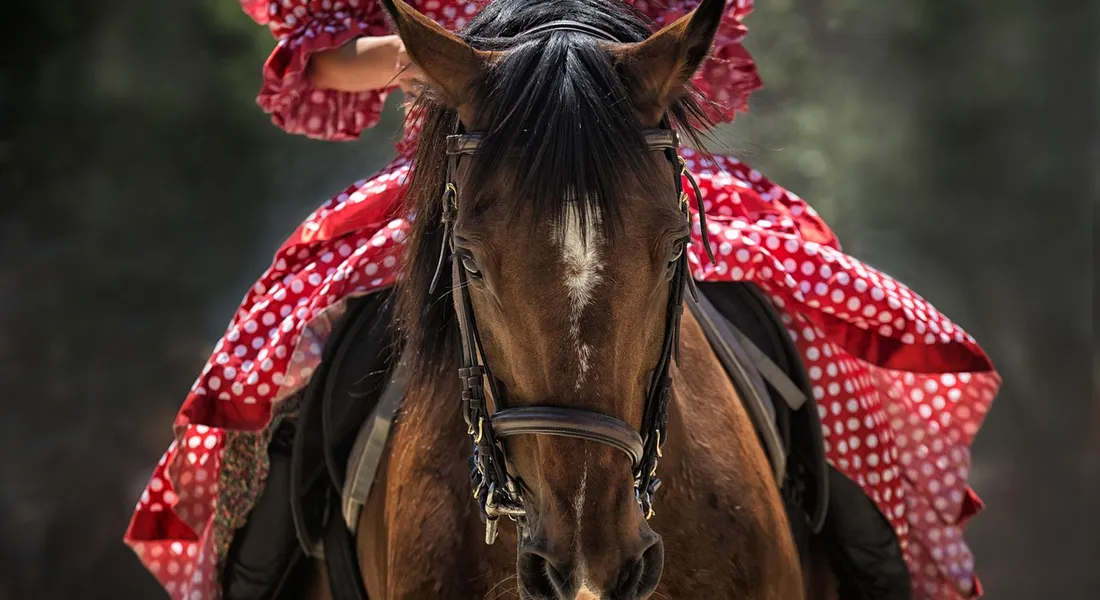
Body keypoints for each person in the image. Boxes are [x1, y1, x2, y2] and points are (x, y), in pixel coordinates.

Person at [124, 1, 1001, 599]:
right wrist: (453, 57)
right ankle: (260, 566)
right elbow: (326, 58)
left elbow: (685, 35)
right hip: (472, 160)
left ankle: (871, 556)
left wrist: (591, 55)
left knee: (812, 320)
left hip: (620, 154)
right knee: (296, 360)